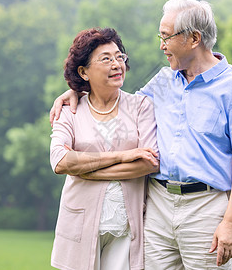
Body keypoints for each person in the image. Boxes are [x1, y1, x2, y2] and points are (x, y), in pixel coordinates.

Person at [50, 0, 232, 270]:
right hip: (157, 207)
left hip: (205, 208)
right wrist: (77, 92)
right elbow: (119, 102)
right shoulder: (163, 81)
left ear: (194, 38)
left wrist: (231, 222)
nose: (161, 45)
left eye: (166, 37)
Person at [49, 27, 159, 270]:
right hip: (79, 224)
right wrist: (123, 156)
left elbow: (149, 162)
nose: (117, 64)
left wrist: (86, 169)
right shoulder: (69, 110)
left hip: (126, 227)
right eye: (106, 58)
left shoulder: (141, 106)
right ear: (83, 71)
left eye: (120, 57)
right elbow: (60, 161)